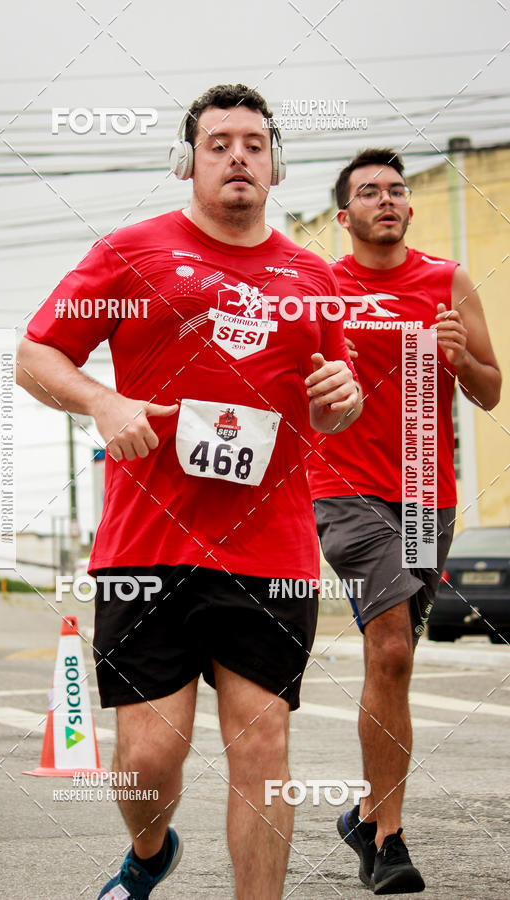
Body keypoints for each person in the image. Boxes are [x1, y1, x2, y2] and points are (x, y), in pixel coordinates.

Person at [16, 84, 361, 900]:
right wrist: (103, 401)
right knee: (147, 759)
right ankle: (150, 852)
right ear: (188, 161)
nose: (237, 155)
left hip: (269, 548)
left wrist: (342, 398)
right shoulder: (132, 253)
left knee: (263, 746)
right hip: (147, 545)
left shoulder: (313, 277)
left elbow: (332, 398)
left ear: (276, 163)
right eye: (218, 143)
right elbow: (36, 355)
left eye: (253, 142)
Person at [307, 148, 501, 894]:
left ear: (409, 208)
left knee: (399, 658)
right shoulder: (320, 285)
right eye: (368, 192)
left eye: (395, 190)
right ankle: (389, 842)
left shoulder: (445, 281)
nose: (385, 200)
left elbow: (489, 392)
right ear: (343, 214)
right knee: (388, 649)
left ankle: (363, 812)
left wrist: (463, 361)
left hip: (426, 488)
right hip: (344, 485)